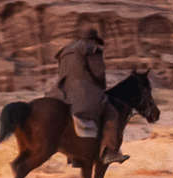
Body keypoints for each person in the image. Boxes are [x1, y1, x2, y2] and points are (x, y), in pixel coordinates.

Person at [54, 26, 126, 165]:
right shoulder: (91, 49)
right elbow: (98, 74)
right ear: (93, 39)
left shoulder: (65, 51)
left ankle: (74, 157)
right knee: (112, 114)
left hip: (62, 93)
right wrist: (101, 86)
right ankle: (110, 152)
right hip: (84, 93)